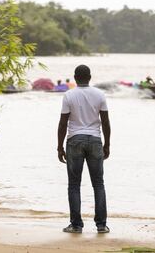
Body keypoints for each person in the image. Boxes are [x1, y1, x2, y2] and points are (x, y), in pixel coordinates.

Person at [57, 64, 111, 234]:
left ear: (75, 77)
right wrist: (107, 144)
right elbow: (106, 122)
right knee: (98, 184)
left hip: (74, 140)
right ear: (90, 77)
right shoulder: (99, 94)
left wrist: (59, 146)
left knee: (74, 185)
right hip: (95, 140)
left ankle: (76, 225)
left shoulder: (69, 95)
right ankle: (101, 225)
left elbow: (63, 123)